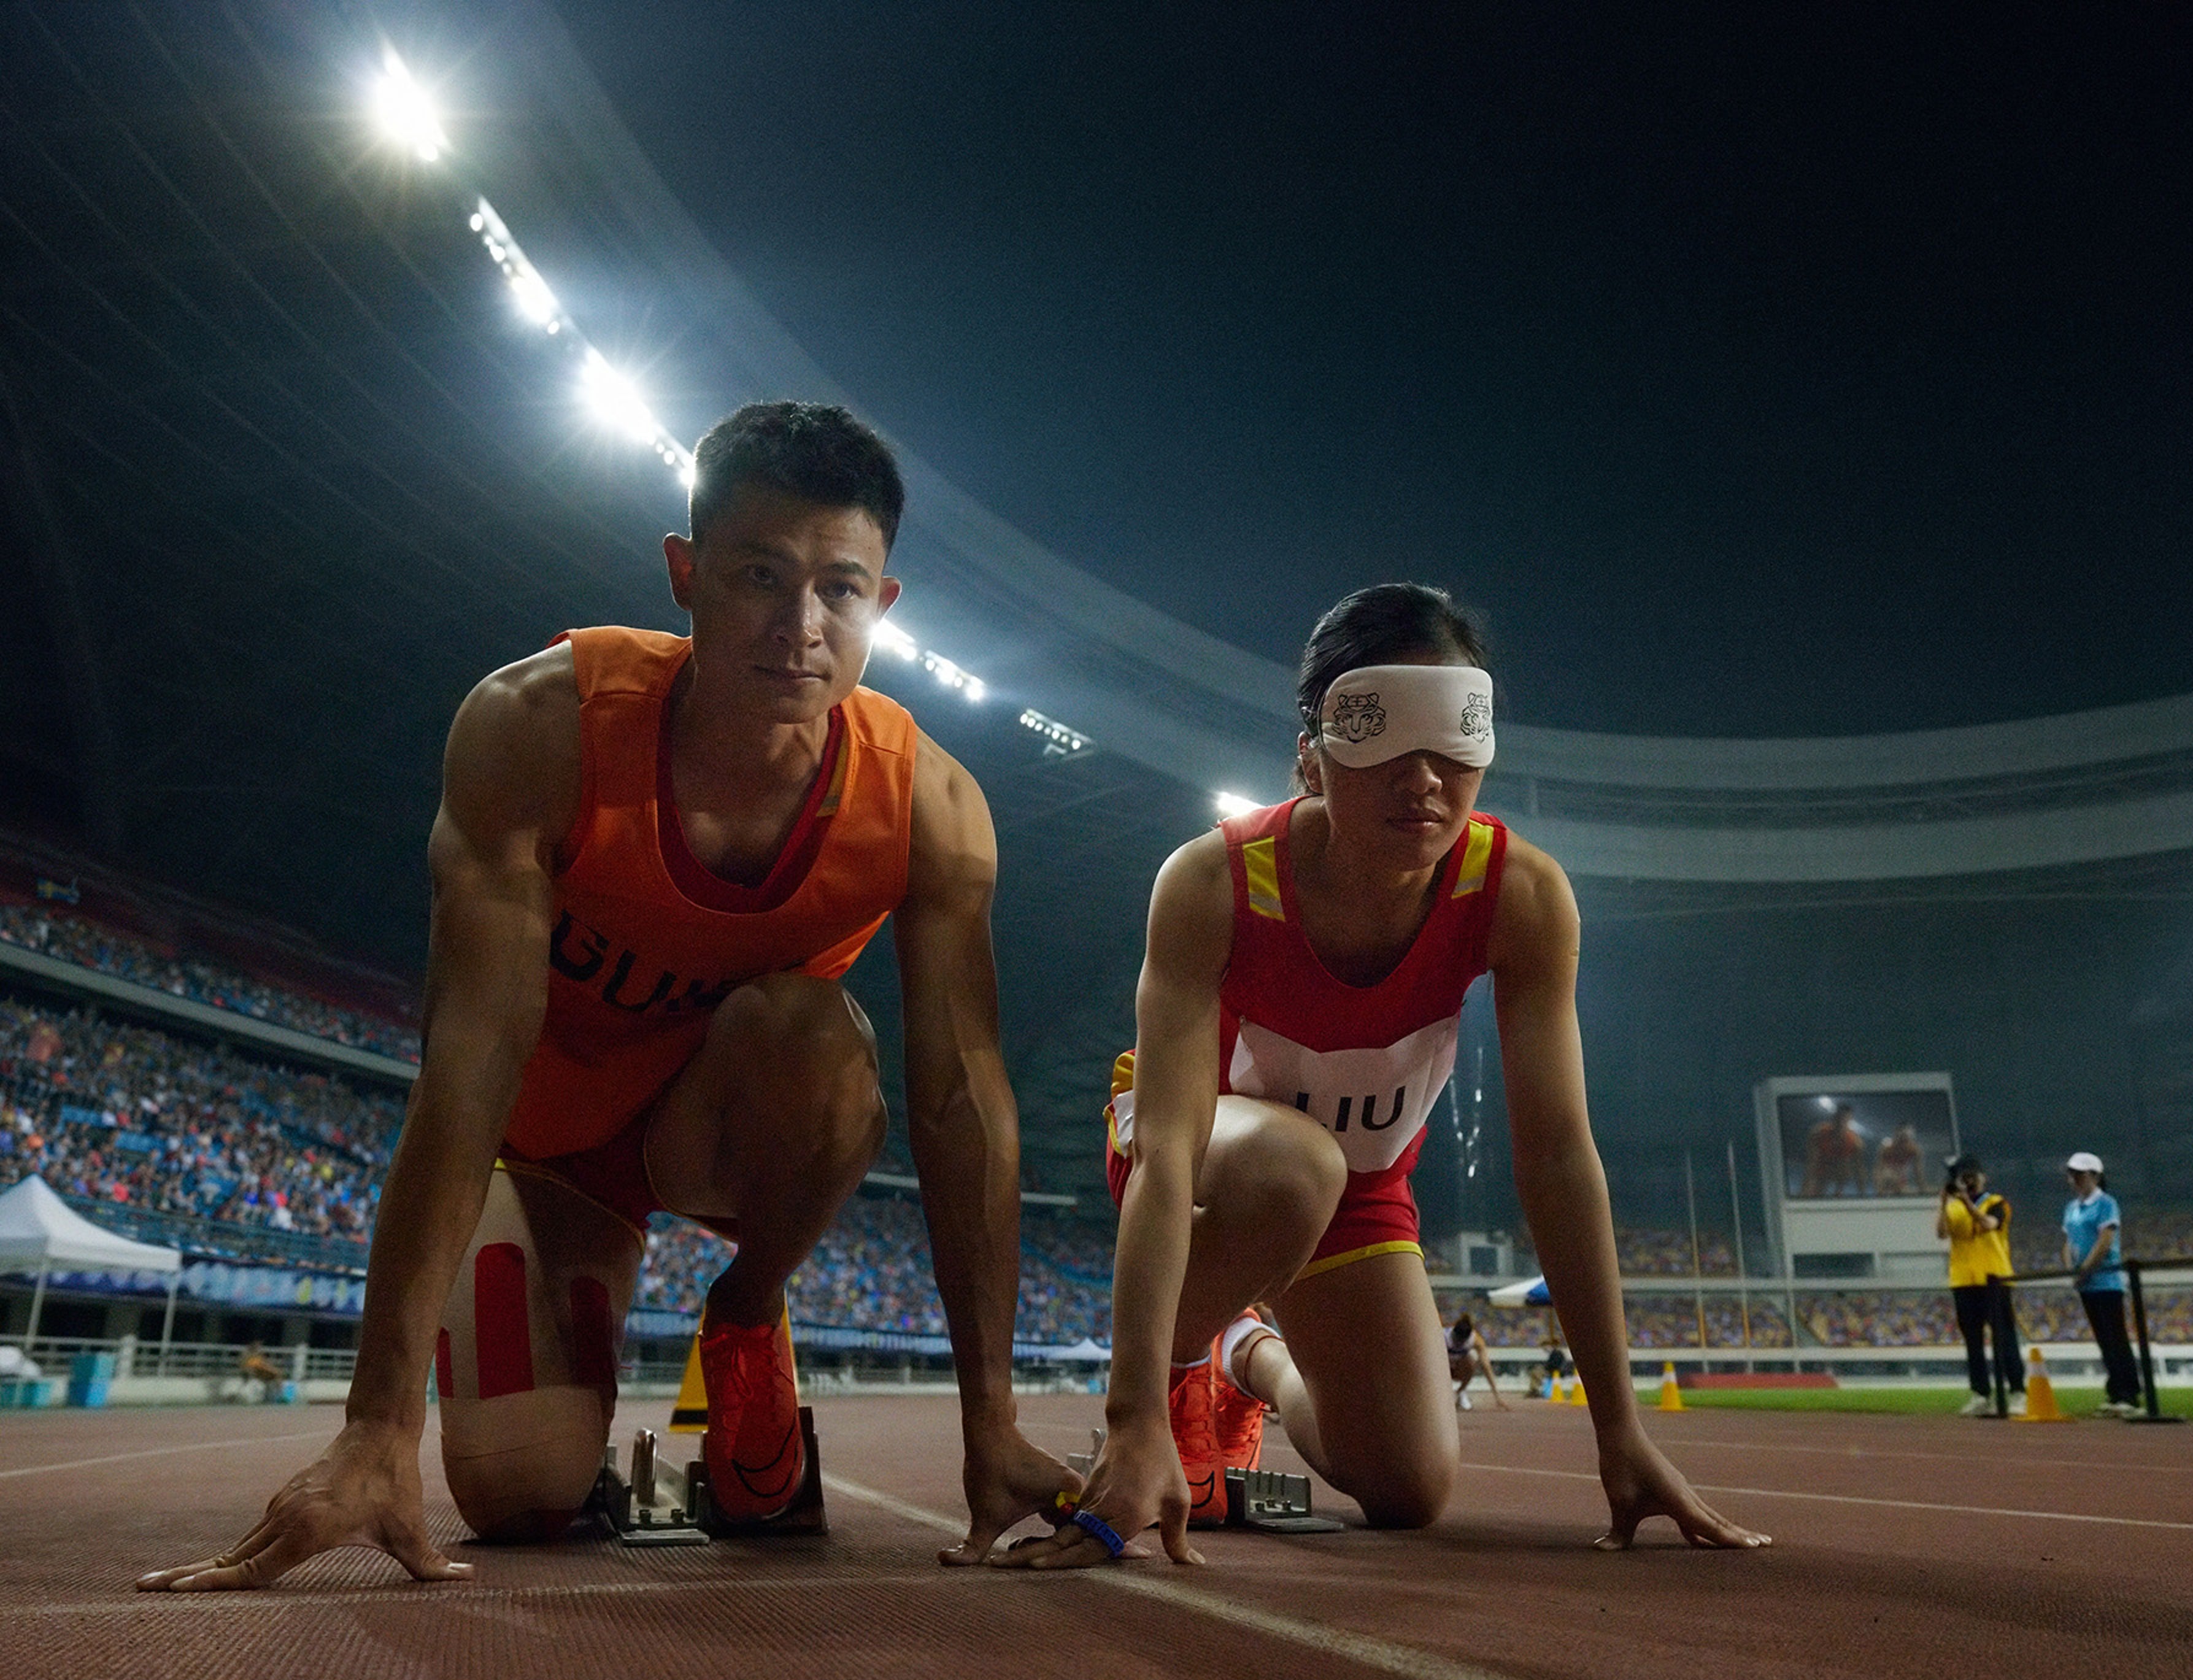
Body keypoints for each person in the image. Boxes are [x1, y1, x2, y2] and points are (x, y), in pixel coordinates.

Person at [140, 402, 1070, 1592]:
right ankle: (575, 1297)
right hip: (552, 1151)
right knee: (522, 1497)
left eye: (839, 588)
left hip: (723, 1127)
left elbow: (959, 1105)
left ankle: (743, 1315)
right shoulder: (540, 728)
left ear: (883, 607)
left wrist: (989, 1421)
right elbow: (470, 1054)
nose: (800, 626)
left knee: (819, 1035)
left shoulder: (928, 807)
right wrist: (380, 1424)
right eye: (758, 576)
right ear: (684, 576)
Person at [997, 583, 1767, 1567]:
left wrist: (1620, 1428)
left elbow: (1559, 1157)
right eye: (1381, 735)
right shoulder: (1213, 881)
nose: (1426, 780)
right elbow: (1169, 1158)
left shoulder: (1519, 895)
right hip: (1193, 1164)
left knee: (1411, 1488)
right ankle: (1190, 1371)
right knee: (1294, 1167)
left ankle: (1249, 1361)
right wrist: (1137, 1412)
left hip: (1361, 1193)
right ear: (1311, 753)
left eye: (1456, 739)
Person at [1938, 1154, 2023, 1416]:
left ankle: (2018, 1391)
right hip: (1964, 1279)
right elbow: (1942, 1233)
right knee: (1973, 1341)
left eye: (1973, 1177)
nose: (1969, 1183)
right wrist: (1943, 1203)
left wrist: (1966, 1202)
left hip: (1995, 1277)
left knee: (2005, 1338)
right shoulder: (1953, 1207)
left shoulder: (1997, 1203)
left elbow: (1989, 1225)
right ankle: (1980, 1393)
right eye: (1964, 1178)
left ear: (1982, 1178)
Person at [2062, 1152, 2140, 1417]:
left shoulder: (2106, 1204)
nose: (2074, 1179)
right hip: (2087, 1283)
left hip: (2106, 1280)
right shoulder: (2072, 1208)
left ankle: (2129, 1393)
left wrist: (2084, 1269)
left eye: (2080, 1174)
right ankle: (2116, 1391)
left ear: (2094, 1176)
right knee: (2104, 1340)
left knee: (2116, 1338)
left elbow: (2105, 1240)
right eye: (2072, 1174)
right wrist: (2071, 1268)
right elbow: (2068, 1242)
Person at [1444, 1311, 1505, 1411]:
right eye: (1457, 1340)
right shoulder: (1443, 1337)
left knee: (1471, 1360)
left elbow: (1486, 1367)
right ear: (1453, 1334)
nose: (1459, 1344)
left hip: (1459, 1370)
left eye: (1462, 1342)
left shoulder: (1476, 1340)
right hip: (1442, 1370)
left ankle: (1461, 1392)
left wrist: (1497, 1396)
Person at [1803, 1104, 1865, 1197]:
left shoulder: (1855, 1142)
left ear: (1849, 1121)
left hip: (1840, 1169)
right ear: (1834, 1118)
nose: (1840, 1122)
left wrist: (1862, 1195)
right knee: (1814, 1184)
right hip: (1822, 1164)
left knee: (1846, 1167)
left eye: (1844, 1120)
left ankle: (1838, 1193)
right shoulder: (1819, 1133)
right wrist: (1806, 1189)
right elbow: (1811, 1163)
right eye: (1838, 1118)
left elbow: (1859, 1170)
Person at [1872, 1122, 1923, 1196]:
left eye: (1907, 1140)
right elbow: (1878, 1170)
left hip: (1901, 1183)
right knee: (1888, 1174)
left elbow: (1918, 1172)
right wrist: (1879, 1189)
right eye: (1901, 1139)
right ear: (1896, 1137)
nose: (1903, 1144)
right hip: (1887, 1181)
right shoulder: (1886, 1149)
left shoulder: (1914, 1150)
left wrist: (1922, 1188)